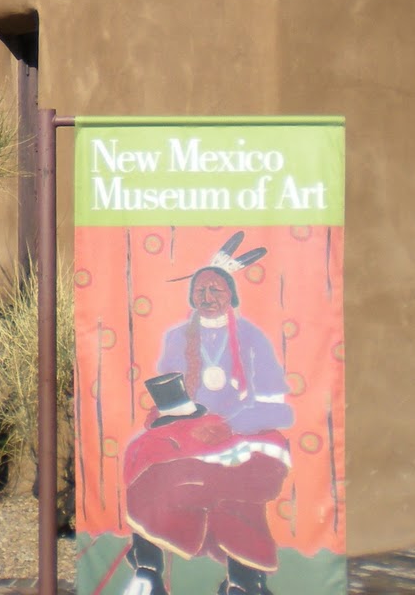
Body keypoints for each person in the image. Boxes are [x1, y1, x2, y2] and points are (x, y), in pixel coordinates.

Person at [122, 233, 294, 595]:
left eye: (216, 289)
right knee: (146, 458)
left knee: (237, 487)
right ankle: (147, 569)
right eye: (200, 290)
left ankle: (244, 581)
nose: (207, 296)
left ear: (231, 295)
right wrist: (168, 414)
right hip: (189, 432)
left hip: (244, 434)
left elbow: (277, 406)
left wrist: (229, 425)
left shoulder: (252, 338)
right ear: (191, 297)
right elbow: (169, 394)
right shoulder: (177, 337)